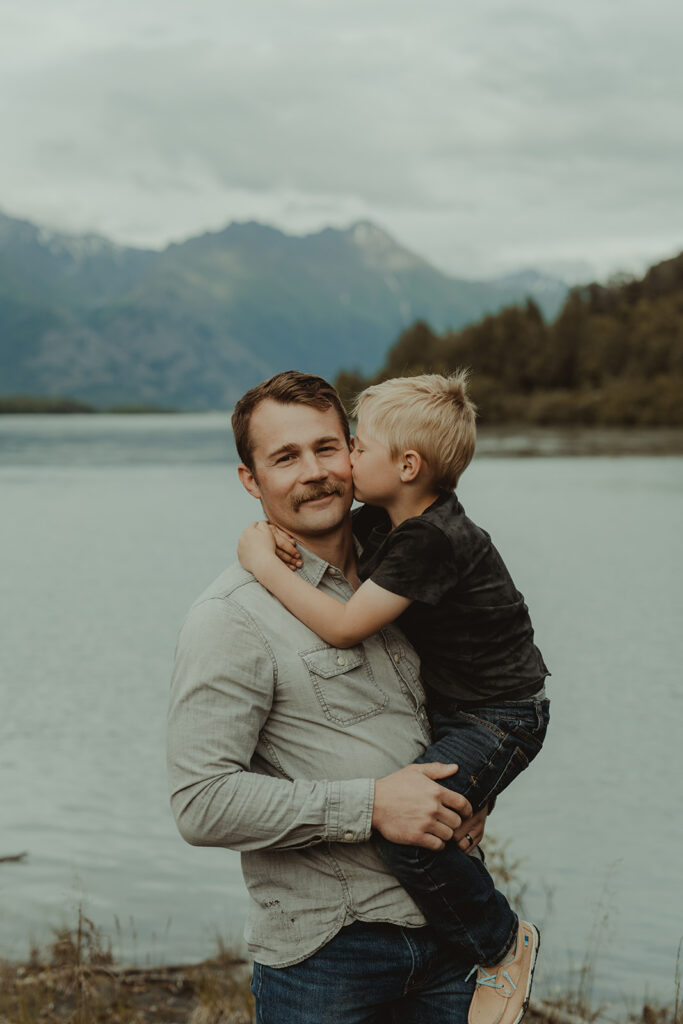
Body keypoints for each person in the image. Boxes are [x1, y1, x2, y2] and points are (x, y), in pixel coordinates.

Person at [167, 370, 493, 1024]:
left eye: (324, 447)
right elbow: (199, 803)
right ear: (250, 481)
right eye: (284, 458)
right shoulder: (230, 618)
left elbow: (482, 694)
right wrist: (372, 804)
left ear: (354, 451)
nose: (313, 471)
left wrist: (477, 790)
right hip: (328, 958)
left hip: (452, 935)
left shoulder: (411, 572)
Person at [238, 371, 551, 1024]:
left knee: (410, 838)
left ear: (406, 466)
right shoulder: (386, 519)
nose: (342, 462)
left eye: (356, 446)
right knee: (437, 818)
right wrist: (269, 532)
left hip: (499, 714)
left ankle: (500, 941)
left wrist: (260, 565)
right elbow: (310, 528)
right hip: (462, 708)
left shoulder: (431, 537)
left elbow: (344, 625)